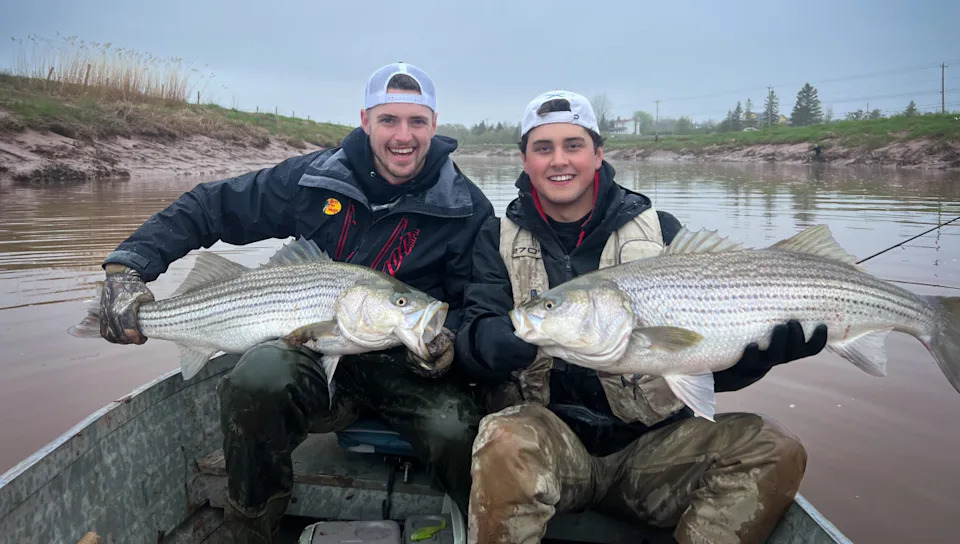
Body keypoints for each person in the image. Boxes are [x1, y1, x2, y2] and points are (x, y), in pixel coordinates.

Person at [97, 62, 494, 542]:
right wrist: (128, 265)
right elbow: (210, 206)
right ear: (365, 120)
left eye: (416, 121)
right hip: (314, 356)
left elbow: (479, 303)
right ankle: (250, 521)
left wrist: (450, 350)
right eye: (389, 120)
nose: (402, 136)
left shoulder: (466, 205)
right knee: (258, 375)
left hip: (407, 370)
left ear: (434, 125)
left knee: (460, 434)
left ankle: (482, 529)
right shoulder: (314, 177)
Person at [454, 90, 828, 544]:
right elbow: (471, 337)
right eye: (543, 147)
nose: (559, 161)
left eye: (573, 145)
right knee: (503, 436)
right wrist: (490, 345)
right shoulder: (493, 237)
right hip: (547, 450)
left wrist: (754, 360)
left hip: (650, 454)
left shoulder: (662, 233)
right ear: (524, 159)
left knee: (773, 447)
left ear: (598, 154)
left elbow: (702, 364)